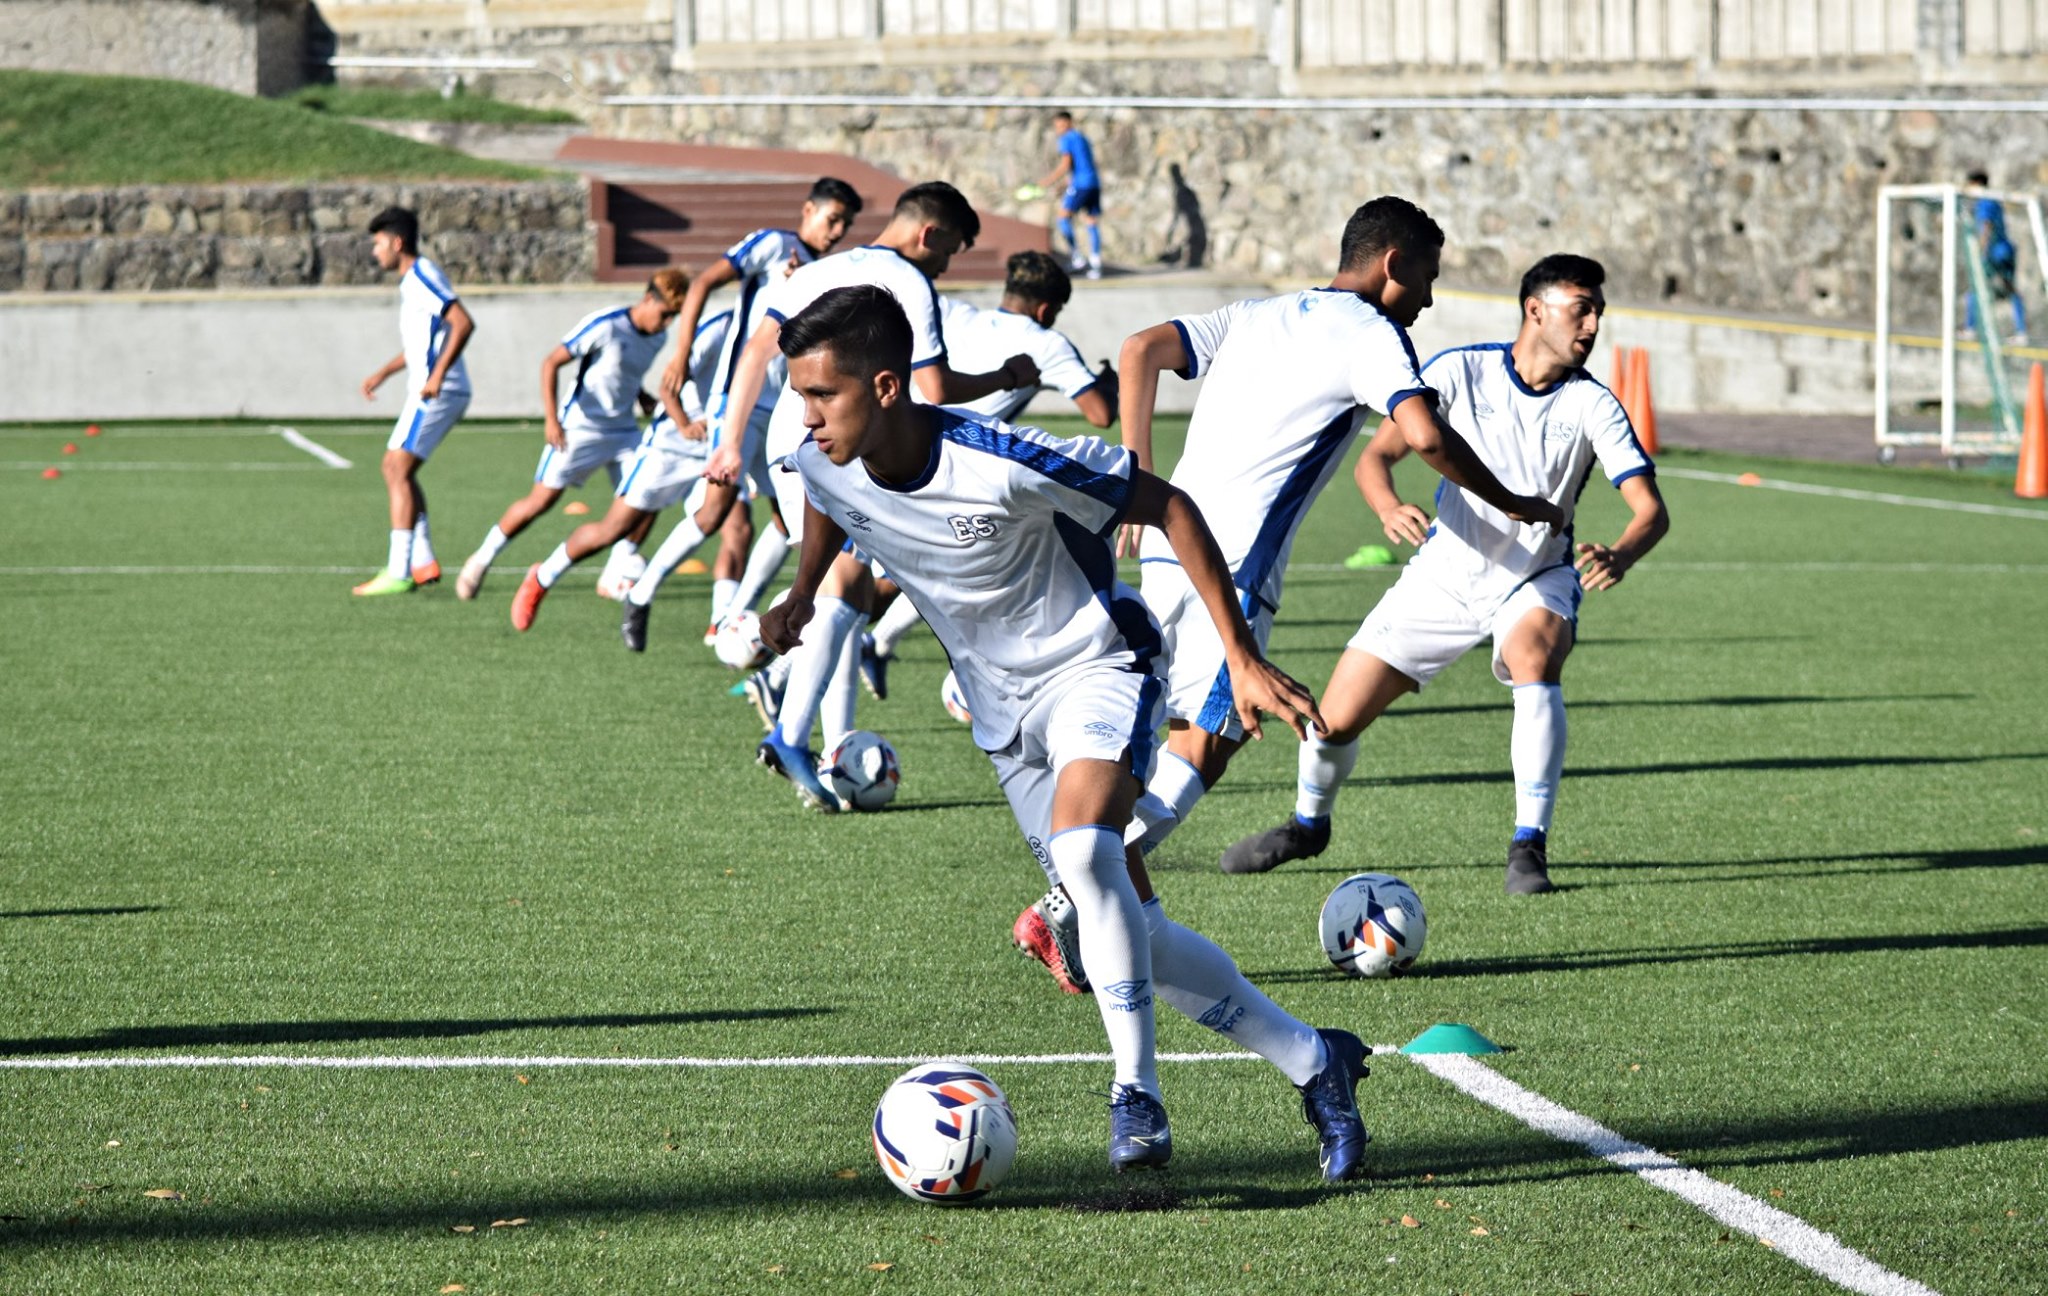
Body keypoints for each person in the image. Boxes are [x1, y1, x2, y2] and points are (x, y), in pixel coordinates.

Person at [765, 283, 1374, 1182]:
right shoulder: (821, 460)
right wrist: (801, 593)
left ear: (886, 387)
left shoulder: (1001, 457)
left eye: (823, 395)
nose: (806, 417)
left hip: (1098, 665)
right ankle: (1318, 1061)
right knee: (1128, 928)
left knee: (1087, 853)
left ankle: (1137, 1097)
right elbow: (827, 497)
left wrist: (1241, 657)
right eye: (800, 396)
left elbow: (1170, 506)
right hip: (1001, 714)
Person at [1012, 196, 1561, 994]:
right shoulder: (1372, 332)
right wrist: (1511, 500)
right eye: (1428, 277)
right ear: (1394, 264)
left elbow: (1138, 350)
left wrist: (1135, 473)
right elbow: (1424, 434)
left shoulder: (1258, 313)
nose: (1429, 298)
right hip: (1233, 570)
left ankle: (1087, 889)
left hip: (1169, 545)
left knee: (1165, 739)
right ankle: (1067, 901)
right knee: (1213, 737)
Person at [1222, 254, 1670, 895]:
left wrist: (1621, 553)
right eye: (1581, 309)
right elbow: (1377, 457)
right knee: (1334, 722)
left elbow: (1650, 511)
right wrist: (1387, 505)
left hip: (1535, 577)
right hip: (1443, 576)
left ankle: (1528, 847)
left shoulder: (1594, 404)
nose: (1593, 325)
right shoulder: (1459, 370)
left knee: (1534, 657)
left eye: (1597, 311)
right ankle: (1308, 826)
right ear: (1535, 310)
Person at [636, 182, 1039, 812]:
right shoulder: (907, 282)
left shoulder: (820, 269)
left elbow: (756, 352)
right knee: (845, 582)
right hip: (833, 441)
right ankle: (789, 725)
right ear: (930, 234)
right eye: (950, 251)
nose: (945, 265)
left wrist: (731, 441)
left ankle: (824, 743)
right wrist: (1007, 376)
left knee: (845, 586)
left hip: (792, 431)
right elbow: (933, 387)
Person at [859, 251, 1118, 697]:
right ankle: (789, 666)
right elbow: (1100, 414)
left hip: (899, 448)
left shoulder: (960, 316)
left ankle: (874, 644)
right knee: (882, 587)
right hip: (958, 469)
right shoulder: (1046, 343)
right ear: (1046, 309)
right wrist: (1109, 384)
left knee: (941, 571)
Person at [615, 179, 864, 640]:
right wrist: (681, 352)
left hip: (785, 407)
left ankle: (733, 615)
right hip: (738, 397)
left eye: (845, 225)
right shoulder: (773, 243)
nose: (837, 231)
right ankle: (642, 593)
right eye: (833, 219)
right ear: (808, 210)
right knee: (715, 510)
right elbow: (705, 281)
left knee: (787, 517)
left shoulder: (824, 271)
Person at [457, 270, 687, 602]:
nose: (667, 323)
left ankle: (615, 572)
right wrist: (552, 419)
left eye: (674, 317)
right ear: (648, 299)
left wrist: (641, 396)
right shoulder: (607, 325)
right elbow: (551, 363)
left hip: (623, 431)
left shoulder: (657, 338)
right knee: (541, 501)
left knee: (646, 496)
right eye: (665, 314)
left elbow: (625, 371)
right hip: (580, 428)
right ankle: (481, 558)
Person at [502, 311, 729, 629]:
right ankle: (543, 577)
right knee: (613, 527)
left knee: (737, 528)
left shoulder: (778, 332)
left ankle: (722, 621)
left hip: (722, 445)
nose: (667, 323)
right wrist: (684, 424)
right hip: (671, 444)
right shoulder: (718, 329)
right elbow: (668, 388)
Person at [352, 206, 475, 597]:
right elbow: (422, 345)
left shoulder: (421, 276)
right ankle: (422, 562)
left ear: (397, 243)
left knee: (396, 467)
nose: (375, 252)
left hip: (439, 389)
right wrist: (383, 373)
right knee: (399, 469)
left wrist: (437, 375)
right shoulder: (413, 281)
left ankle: (399, 570)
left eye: (378, 244)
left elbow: (462, 322)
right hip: (430, 387)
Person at [1964, 169, 2028, 346]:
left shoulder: (1984, 201)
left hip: (1994, 253)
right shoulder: (1994, 200)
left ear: (1977, 184)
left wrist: (1981, 250)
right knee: (2011, 290)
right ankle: (2021, 332)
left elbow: (1987, 226)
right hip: (2006, 250)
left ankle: (1970, 328)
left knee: (1975, 288)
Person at [1037, 110, 1103, 280]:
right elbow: (1083, 165)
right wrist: (1065, 184)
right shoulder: (1082, 138)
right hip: (1093, 183)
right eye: (1056, 126)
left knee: (1063, 217)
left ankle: (1077, 257)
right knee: (1091, 221)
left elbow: (1065, 165)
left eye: (1060, 125)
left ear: (1068, 123)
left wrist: (1047, 181)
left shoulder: (1067, 139)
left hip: (1081, 184)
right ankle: (1095, 264)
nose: (1058, 129)